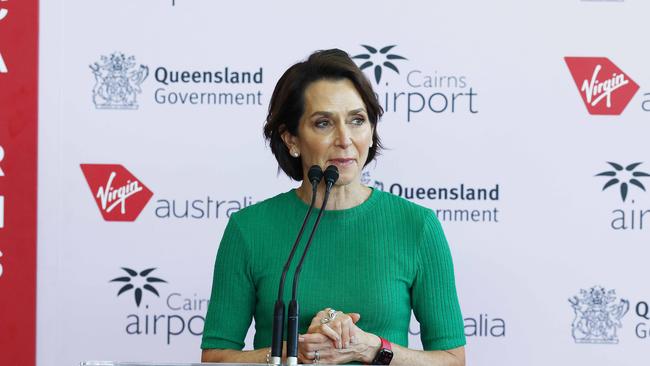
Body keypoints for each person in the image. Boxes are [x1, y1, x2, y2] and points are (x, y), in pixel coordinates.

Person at [201, 49, 466, 365]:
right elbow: (215, 358)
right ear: (291, 140)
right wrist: (294, 353)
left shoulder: (417, 226)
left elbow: (452, 359)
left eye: (357, 120)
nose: (345, 138)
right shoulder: (249, 229)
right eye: (323, 123)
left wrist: (370, 348)